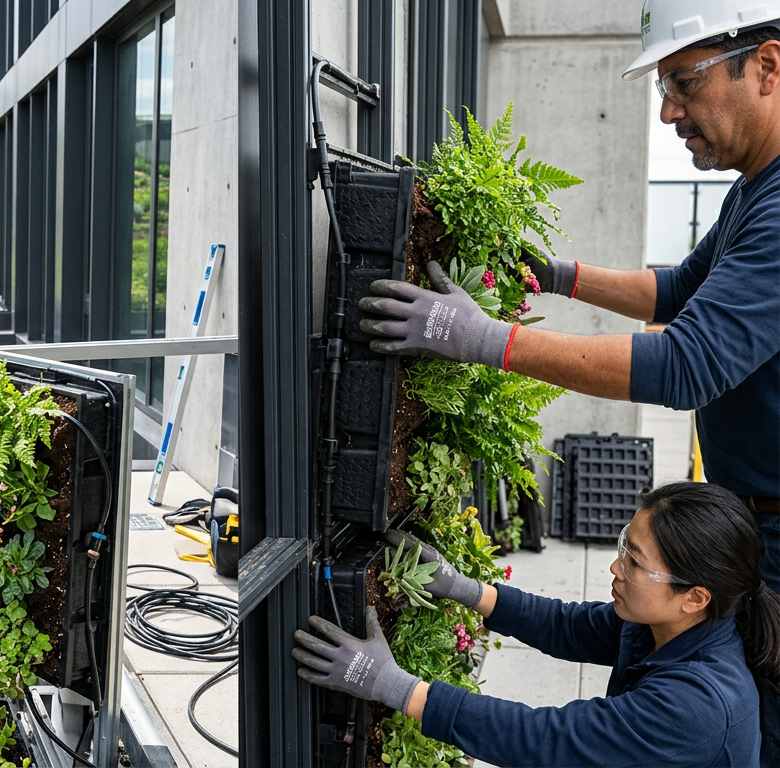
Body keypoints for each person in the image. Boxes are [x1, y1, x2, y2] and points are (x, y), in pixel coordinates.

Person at [357, 2, 780, 757]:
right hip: (750, 516)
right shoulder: (755, 188)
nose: (668, 112)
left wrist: (485, 340)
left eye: (683, 81)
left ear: (768, 67)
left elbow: (684, 361)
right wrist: (557, 275)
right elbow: (677, 288)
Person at [294, 482, 779, 767]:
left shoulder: (698, 706)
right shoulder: (673, 623)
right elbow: (568, 626)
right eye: (622, 546)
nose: (616, 568)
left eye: (633, 561)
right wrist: (463, 588)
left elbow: (547, 740)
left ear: (695, 597)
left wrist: (394, 686)